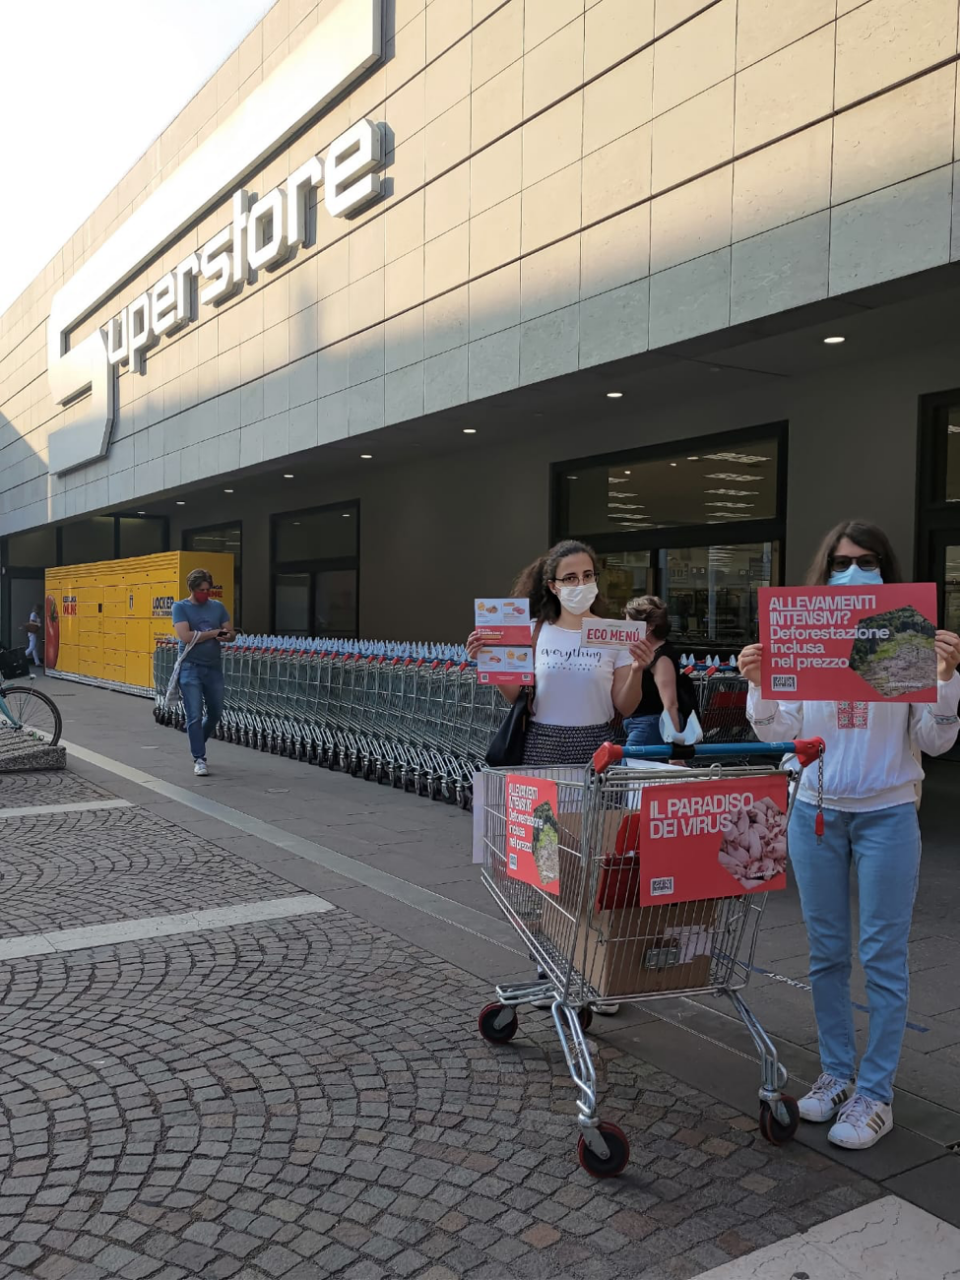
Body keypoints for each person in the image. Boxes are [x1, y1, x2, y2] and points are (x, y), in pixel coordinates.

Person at [738, 520, 960, 1150]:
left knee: (883, 957)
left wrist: (945, 679)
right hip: (817, 810)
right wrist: (758, 681)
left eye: (866, 561)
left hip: (888, 812)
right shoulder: (809, 635)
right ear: (825, 569)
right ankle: (837, 1071)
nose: (854, 572)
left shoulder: (899, 637)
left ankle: (876, 1093)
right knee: (827, 953)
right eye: (840, 561)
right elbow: (780, 728)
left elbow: (934, 740)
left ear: (887, 570)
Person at [468, 539, 656, 1014]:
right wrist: (486, 658)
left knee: (594, 865)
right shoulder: (532, 632)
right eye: (570, 578)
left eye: (587, 576)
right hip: (542, 755)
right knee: (547, 867)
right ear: (552, 584)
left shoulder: (612, 633)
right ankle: (551, 964)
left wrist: (636, 668)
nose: (580, 585)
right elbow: (515, 695)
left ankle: (595, 970)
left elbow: (624, 705)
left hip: (596, 756)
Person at [171, 568, 235, 777]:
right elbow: (186, 636)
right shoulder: (180, 607)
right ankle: (199, 758)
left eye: (208, 589)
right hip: (191, 668)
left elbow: (230, 632)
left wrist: (227, 636)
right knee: (195, 714)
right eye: (201, 590)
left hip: (213, 667)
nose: (205, 593)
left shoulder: (217, 607)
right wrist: (215, 633)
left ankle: (197, 738)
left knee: (216, 712)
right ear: (192, 589)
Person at [621, 596, 682, 746]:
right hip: (641, 724)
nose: (625, 628)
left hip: (649, 725)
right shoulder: (647, 653)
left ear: (649, 626)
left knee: (628, 769)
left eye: (630, 624)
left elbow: (670, 704)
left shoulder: (661, 657)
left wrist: (675, 746)